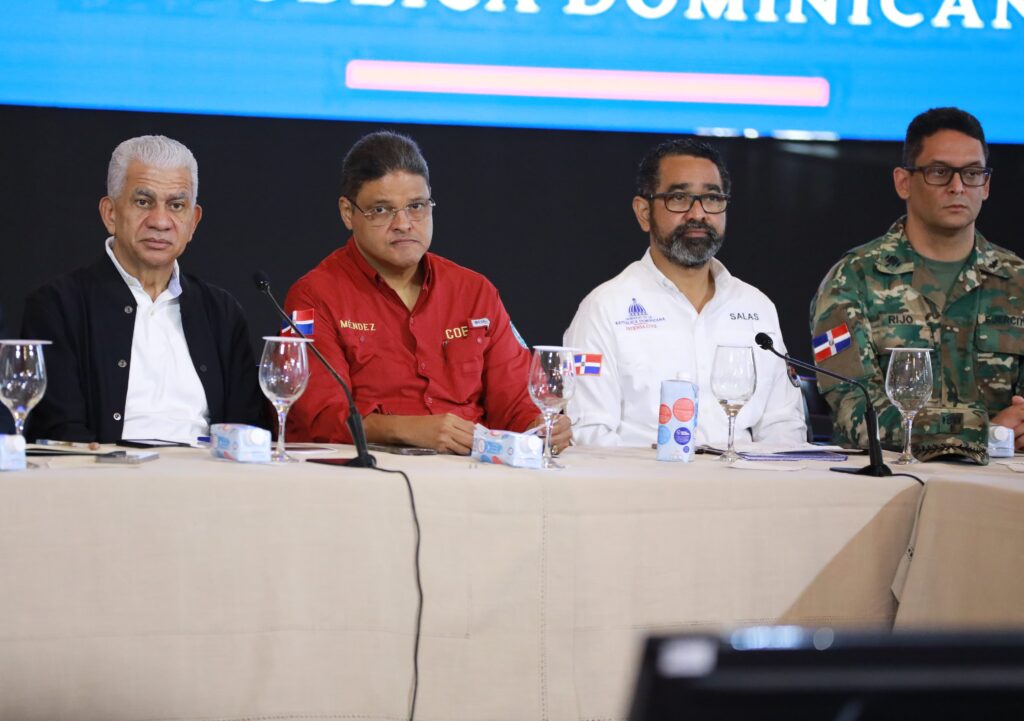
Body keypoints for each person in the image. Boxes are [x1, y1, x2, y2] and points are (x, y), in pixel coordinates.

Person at [284, 130, 571, 454]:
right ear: (348, 213)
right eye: (382, 210)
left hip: (472, 472)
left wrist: (540, 425)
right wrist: (408, 430)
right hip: (370, 473)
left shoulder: (475, 292)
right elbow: (319, 420)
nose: (404, 223)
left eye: (416, 206)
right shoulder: (314, 296)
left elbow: (518, 402)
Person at [810, 107, 1024, 462]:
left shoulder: (1018, 282)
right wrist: (984, 432)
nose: (957, 186)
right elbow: (855, 415)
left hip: (1004, 483)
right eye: (939, 172)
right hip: (892, 482)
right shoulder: (852, 280)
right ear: (903, 182)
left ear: (985, 185)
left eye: (972, 173)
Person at [21, 135, 265, 443]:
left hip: (206, 469)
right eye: (143, 202)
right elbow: (60, 430)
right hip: (104, 470)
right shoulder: (58, 306)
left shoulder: (222, 313)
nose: (160, 222)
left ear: (193, 222)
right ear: (110, 214)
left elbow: (247, 428)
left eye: (176, 206)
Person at [563, 139, 806, 447]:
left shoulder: (757, 307)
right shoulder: (604, 309)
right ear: (644, 212)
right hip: (640, 477)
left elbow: (783, 426)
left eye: (712, 198)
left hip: (744, 476)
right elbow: (589, 435)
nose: (698, 213)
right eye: (679, 198)